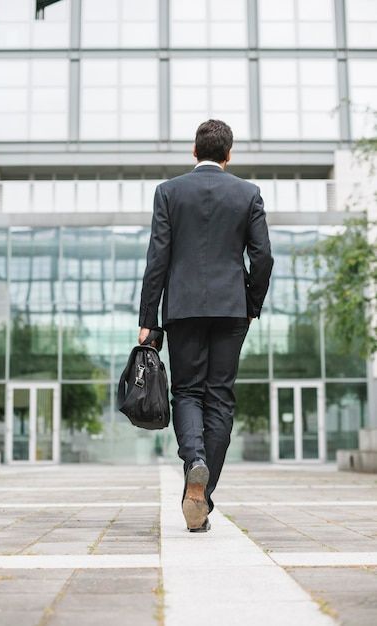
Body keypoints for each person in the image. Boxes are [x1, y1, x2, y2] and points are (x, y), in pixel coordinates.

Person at [137, 119, 274, 532]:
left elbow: (156, 260)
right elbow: (263, 257)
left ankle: (194, 460)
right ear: (228, 156)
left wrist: (149, 321)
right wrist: (250, 303)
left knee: (188, 392)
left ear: (194, 152)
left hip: (182, 309)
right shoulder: (248, 193)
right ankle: (202, 495)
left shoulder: (169, 192)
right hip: (231, 309)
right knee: (220, 398)